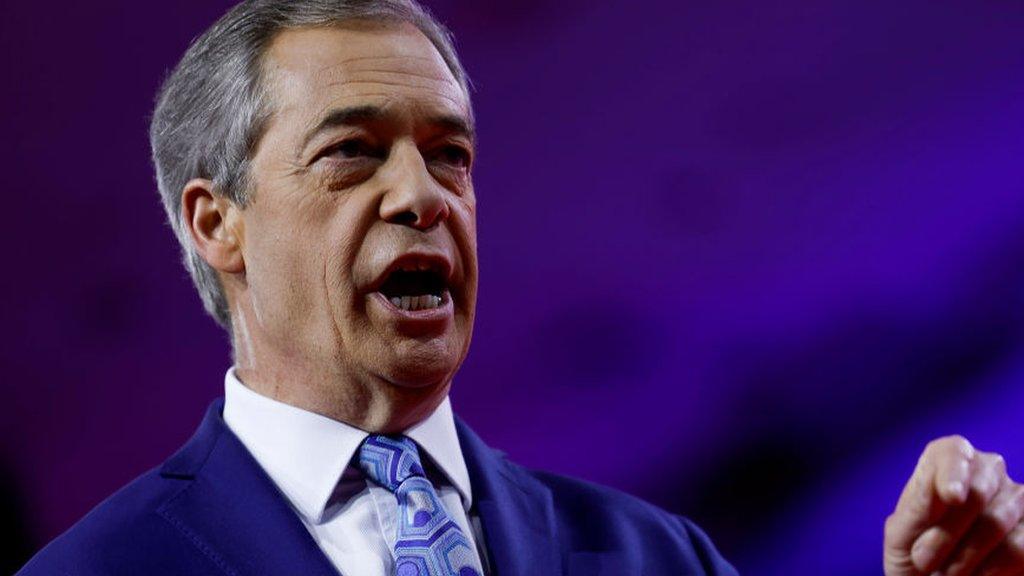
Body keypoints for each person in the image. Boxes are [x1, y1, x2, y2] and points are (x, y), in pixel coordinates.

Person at [17, 1, 1024, 575]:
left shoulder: (651, 557)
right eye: (353, 152)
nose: (422, 195)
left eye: (448, 155)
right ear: (215, 222)